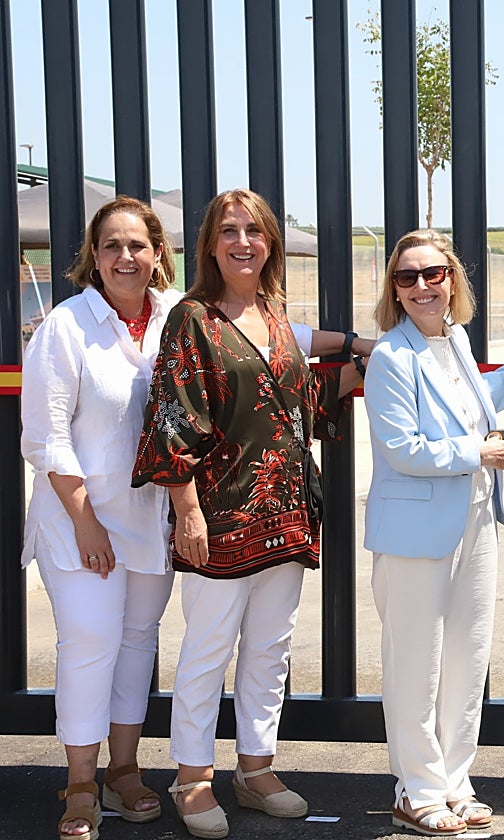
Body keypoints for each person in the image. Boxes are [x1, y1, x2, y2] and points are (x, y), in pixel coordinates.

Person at [132, 188, 364, 839]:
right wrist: (187, 512)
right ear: (209, 243)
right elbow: (173, 418)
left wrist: (376, 352)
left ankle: (257, 770)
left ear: (270, 243)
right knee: (207, 652)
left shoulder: (275, 313)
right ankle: (193, 778)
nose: (243, 242)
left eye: (254, 231)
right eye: (229, 231)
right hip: (220, 518)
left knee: (270, 650)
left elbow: (294, 397)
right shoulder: (193, 320)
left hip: (287, 516)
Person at [363, 229, 504, 836]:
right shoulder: (389, 357)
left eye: (433, 274)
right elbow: (402, 448)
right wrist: (481, 453)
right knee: (416, 665)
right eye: (407, 277)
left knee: (465, 660)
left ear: (452, 279)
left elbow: (476, 402)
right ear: (394, 291)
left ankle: (455, 782)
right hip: (415, 534)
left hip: (476, 520)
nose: (422, 286)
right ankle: (417, 789)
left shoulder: (455, 341)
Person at [21, 196, 181, 840]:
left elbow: (254, 340)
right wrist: (86, 520)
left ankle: (123, 770)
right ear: (94, 255)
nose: (125, 256)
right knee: (90, 643)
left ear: (157, 253)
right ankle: (80, 783)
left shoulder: (176, 316)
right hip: (77, 518)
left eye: (137, 245)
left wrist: (354, 344)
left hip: (150, 515)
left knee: (138, 643)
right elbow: (45, 435)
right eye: (111, 245)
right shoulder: (67, 325)